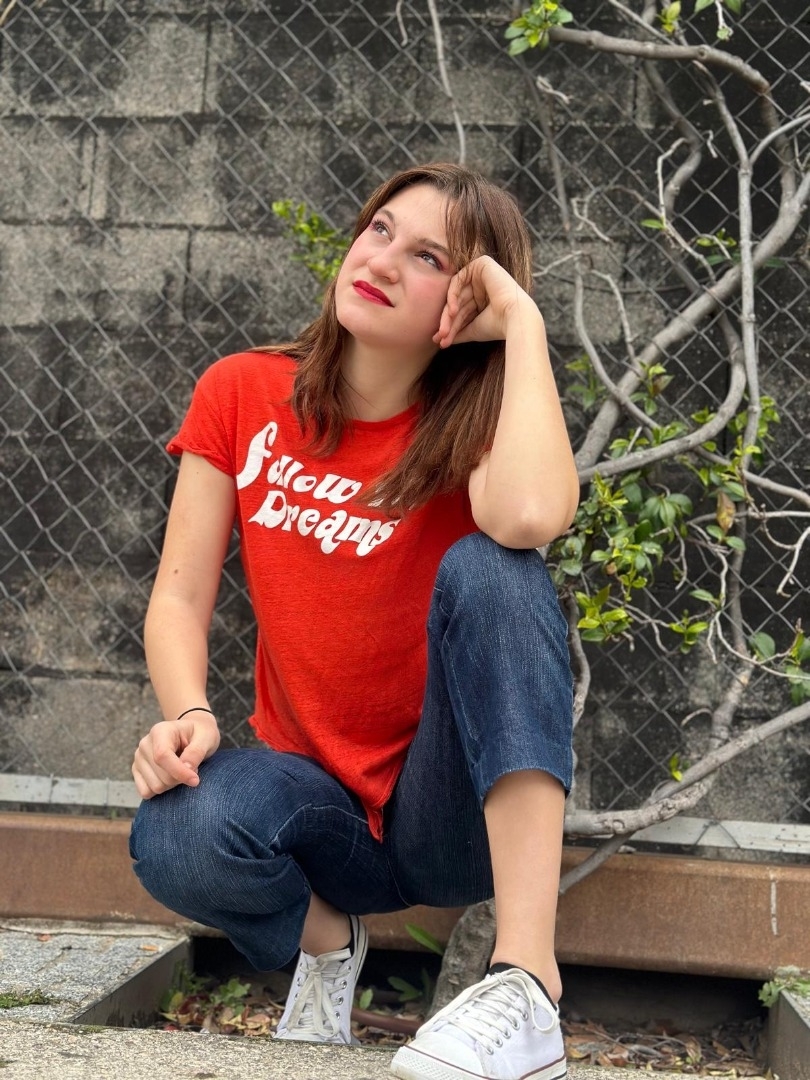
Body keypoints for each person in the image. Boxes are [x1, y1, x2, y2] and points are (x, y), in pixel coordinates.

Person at [129, 162, 579, 1080]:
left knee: (497, 566)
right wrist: (188, 714)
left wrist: (524, 326)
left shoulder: (474, 427)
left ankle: (528, 983)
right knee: (177, 829)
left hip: (445, 816)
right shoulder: (242, 392)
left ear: (468, 299)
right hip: (316, 806)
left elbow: (530, 518)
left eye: (428, 258)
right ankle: (328, 944)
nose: (380, 261)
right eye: (379, 230)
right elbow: (178, 596)